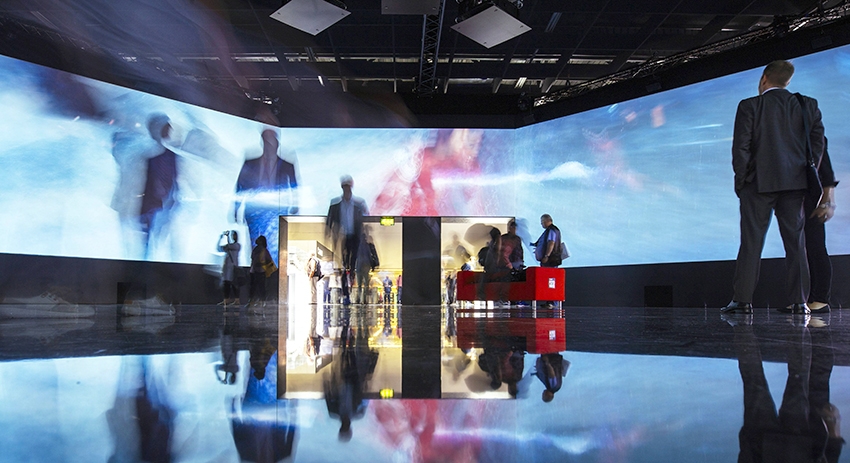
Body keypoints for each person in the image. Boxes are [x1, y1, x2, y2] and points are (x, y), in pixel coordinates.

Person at [723, 60, 824, 315]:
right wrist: (804, 173)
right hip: (795, 184)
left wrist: (741, 181)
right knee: (796, 243)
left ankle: (743, 301)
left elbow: (741, 148)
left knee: (751, 243)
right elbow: (817, 144)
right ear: (788, 81)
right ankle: (800, 302)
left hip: (757, 184)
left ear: (764, 78)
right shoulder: (808, 104)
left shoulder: (749, 106)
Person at [803, 138, 838, 312]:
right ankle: (807, 297)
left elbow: (826, 168)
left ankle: (821, 298)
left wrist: (827, 199)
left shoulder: (812, 133)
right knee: (802, 248)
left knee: (815, 245)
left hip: (811, 194)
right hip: (796, 193)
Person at [326, 175, 369, 304]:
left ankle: (350, 285)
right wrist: (328, 233)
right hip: (342, 237)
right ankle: (346, 293)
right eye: (344, 187)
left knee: (352, 264)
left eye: (348, 187)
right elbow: (329, 220)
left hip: (355, 238)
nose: (346, 189)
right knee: (344, 265)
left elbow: (365, 217)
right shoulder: (335, 205)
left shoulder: (358, 204)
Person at [219, 230, 241, 306]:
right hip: (227, 267)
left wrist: (227, 237)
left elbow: (228, 246)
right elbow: (220, 248)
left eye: (233, 235)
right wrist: (221, 238)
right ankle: (226, 299)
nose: (233, 237)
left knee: (234, 284)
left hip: (233, 267)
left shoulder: (237, 245)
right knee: (226, 284)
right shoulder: (231, 246)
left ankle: (237, 300)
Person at [249, 235, 272, 305]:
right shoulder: (256, 249)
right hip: (254, 270)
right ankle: (254, 300)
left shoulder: (264, 250)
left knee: (260, 286)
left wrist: (262, 264)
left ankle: (262, 301)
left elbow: (268, 260)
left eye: (259, 239)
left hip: (261, 271)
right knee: (254, 286)